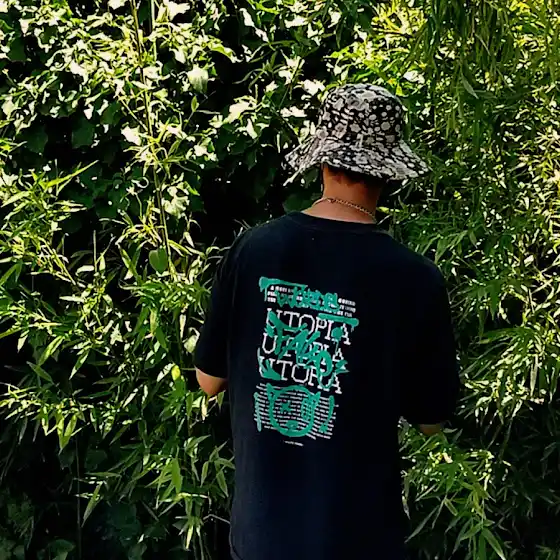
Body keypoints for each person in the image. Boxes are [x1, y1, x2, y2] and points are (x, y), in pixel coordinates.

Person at [194, 84, 460, 560]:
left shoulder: (253, 250)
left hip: (262, 537)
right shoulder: (414, 278)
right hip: (359, 539)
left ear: (323, 160)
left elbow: (209, 380)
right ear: (389, 172)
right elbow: (430, 420)